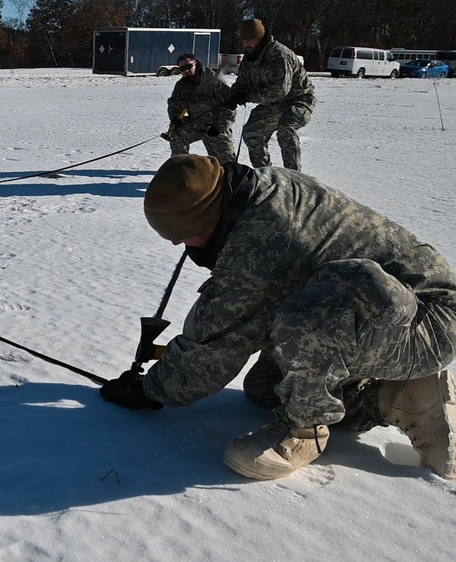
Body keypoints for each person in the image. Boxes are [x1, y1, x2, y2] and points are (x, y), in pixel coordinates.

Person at [100, 154, 456, 482]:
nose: (178, 245)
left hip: (430, 322)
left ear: (206, 217)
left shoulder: (259, 243)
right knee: (267, 388)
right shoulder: (256, 187)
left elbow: (213, 352)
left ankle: (304, 432)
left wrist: (150, 390)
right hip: (383, 314)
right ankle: (398, 395)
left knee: (309, 319)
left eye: (179, 234)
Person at [222, 19, 316, 171]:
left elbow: (280, 90)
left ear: (260, 38)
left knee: (286, 129)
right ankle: (266, 174)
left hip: (299, 100)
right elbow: (242, 82)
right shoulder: (249, 57)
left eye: (250, 40)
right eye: (244, 41)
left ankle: (294, 177)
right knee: (251, 132)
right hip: (273, 104)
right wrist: (233, 95)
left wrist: (247, 96)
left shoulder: (279, 54)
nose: (246, 45)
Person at [164, 53, 237, 164]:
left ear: (196, 64)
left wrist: (219, 127)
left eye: (188, 67)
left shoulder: (214, 80)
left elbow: (230, 106)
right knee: (177, 132)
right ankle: (180, 167)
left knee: (227, 163)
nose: (186, 71)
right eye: (182, 69)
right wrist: (175, 118)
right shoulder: (181, 85)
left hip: (215, 127)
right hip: (196, 124)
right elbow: (175, 103)